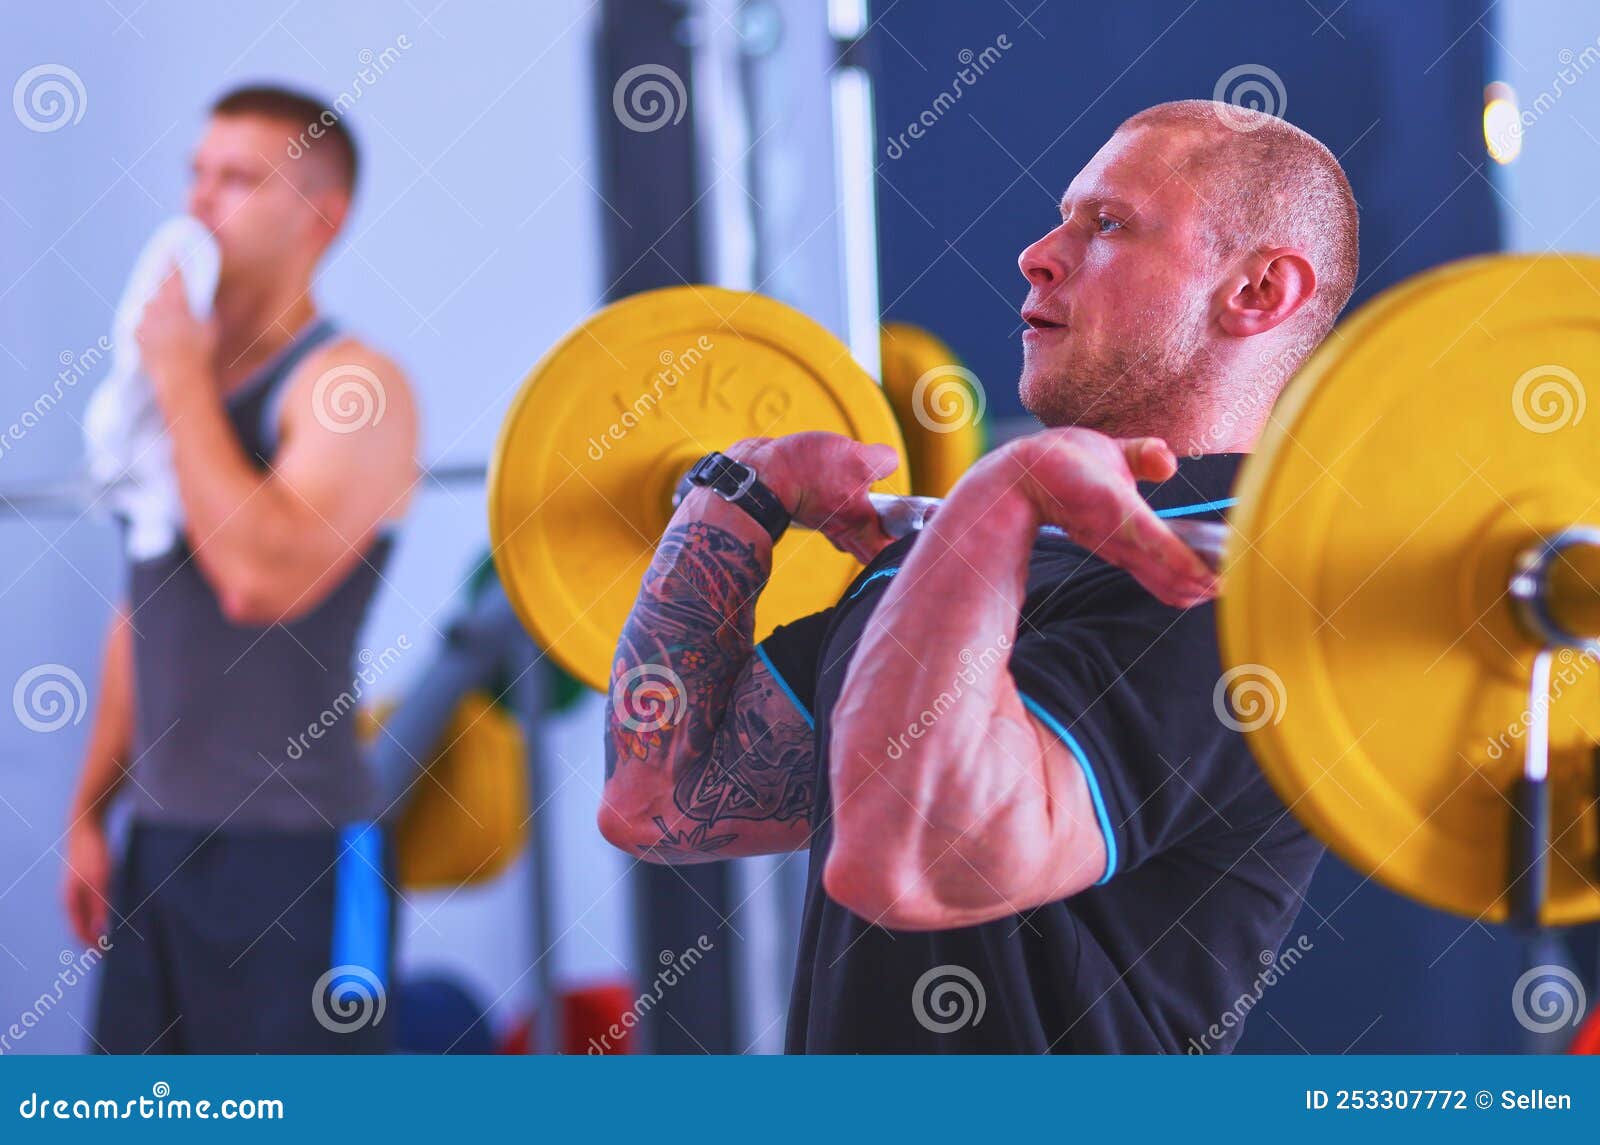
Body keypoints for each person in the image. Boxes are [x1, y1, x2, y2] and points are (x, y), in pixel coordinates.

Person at [598, 100, 1359, 1052]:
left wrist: (999, 495)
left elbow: (907, 866)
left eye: (1108, 225)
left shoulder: (1241, 605)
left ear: (1258, 292)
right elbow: (661, 805)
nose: (1037, 254)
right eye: (1062, 217)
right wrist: (739, 491)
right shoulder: (957, 552)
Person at [62, 85, 418, 1053]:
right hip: (161, 843)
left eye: (239, 178)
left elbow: (255, 580)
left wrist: (179, 373)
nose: (200, 201)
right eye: (197, 173)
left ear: (322, 216)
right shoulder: (167, 395)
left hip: (297, 853)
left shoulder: (351, 387)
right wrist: (93, 809)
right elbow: (147, 607)